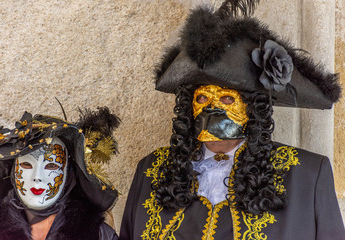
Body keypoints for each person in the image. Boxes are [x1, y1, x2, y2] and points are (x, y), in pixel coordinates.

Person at [120, 1, 345, 239]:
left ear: (252, 108)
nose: (213, 108)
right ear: (189, 106)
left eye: (227, 99)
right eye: (203, 98)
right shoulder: (152, 170)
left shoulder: (307, 175)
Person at [0, 106, 120, 240]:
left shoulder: (99, 235)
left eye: (51, 166)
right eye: (27, 164)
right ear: (13, 171)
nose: (37, 177)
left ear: (68, 174)